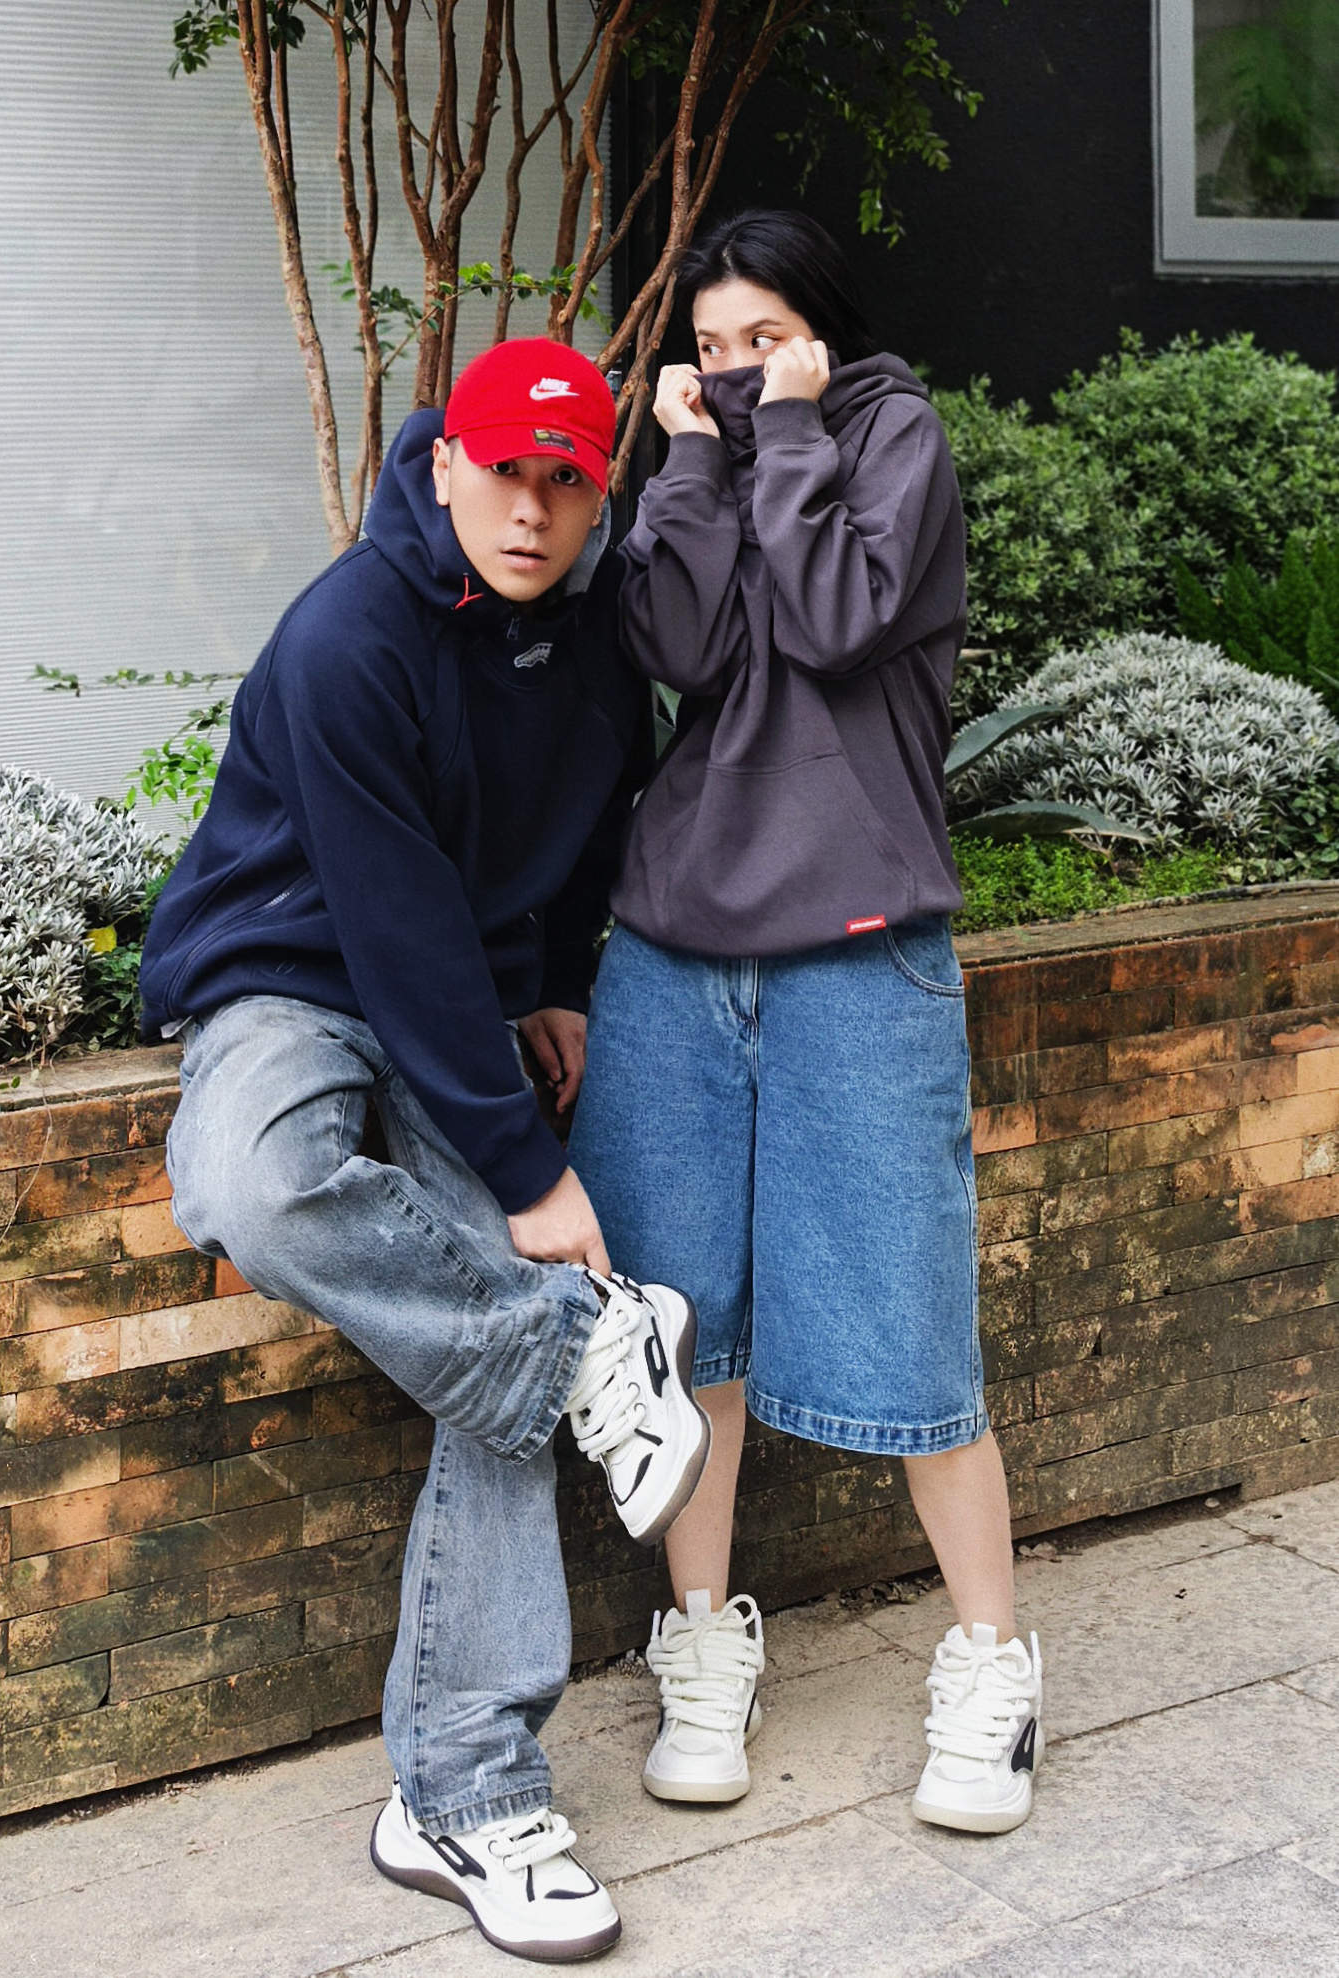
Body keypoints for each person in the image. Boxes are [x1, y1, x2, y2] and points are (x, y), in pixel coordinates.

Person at [139, 337, 713, 1964]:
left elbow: (596, 830)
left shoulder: (594, 644)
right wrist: (532, 1177)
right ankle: (584, 1353)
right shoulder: (350, 637)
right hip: (291, 969)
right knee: (251, 1181)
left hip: (465, 992)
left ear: (598, 494)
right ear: (443, 461)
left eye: (564, 482)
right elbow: (387, 929)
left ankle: (465, 1794)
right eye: (503, 472)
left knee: (486, 1311)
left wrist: (561, 982)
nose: (530, 511)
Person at [569, 210, 1043, 1835]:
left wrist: (781, 431)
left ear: (824, 333)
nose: (732, 367)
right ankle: (704, 1641)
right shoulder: (719, 443)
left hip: (861, 947)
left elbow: (840, 614)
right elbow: (678, 640)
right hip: (675, 951)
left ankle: (993, 1666)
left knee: (912, 1325)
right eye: (711, 347)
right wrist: (692, 462)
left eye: (761, 338)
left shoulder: (896, 437)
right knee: (680, 1320)